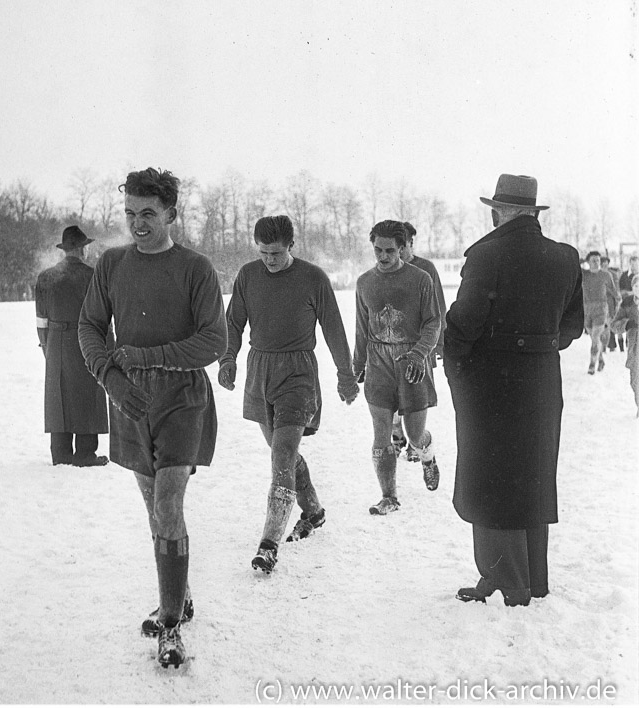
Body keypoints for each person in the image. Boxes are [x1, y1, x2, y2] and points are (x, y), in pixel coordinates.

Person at [78, 167, 227, 669]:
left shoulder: (196, 268)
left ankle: (169, 627)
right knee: (155, 510)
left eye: (148, 214)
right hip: (129, 401)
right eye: (130, 214)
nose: (138, 224)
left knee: (167, 504)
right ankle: (178, 595)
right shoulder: (112, 265)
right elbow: (90, 327)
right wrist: (112, 379)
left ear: (171, 214)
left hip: (182, 398)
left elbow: (213, 341)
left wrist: (144, 358)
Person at [444, 174, 583, 607]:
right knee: (531, 478)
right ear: (534, 213)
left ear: (497, 211)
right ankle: (532, 580)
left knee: (489, 480)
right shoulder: (565, 257)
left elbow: (462, 325)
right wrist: (538, 346)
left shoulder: (486, 255)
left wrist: (458, 370)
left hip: (490, 385)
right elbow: (573, 327)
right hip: (542, 383)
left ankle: (506, 583)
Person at [217, 215, 358, 574]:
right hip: (260, 371)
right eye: (263, 252)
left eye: (276, 253)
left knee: (282, 451)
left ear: (291, 246)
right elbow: (234, 322)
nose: (269, 260)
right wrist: (228, 359)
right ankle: (313, 511)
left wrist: (345, 376)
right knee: (285, 453)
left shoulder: (313, 278)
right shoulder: (248, 275)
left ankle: (268, 545)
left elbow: (333, 329)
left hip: (298, 374)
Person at [353, 220, 442, 516]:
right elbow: (362, 328)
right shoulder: (365, 282)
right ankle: (389, 496)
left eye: (390, 250)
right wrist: (357, 365)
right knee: (381, 432)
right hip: (379, 364)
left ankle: (426, 456)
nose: (382, 255)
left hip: (411, 364)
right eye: (377, 249)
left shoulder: (420, 279)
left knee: (415, 435)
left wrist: (419, 354)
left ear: (403, 248)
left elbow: (433, 322)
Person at [35, 225, 109, 467]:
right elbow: (103, 317)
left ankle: (61, 452)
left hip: (56, 341)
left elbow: (41, 321)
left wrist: (48, 347)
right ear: (82, 250)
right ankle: (86, 453)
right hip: (87, 340)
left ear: (65, 250)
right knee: (88, 392)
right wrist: (109, 347)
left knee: (59, 396)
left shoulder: (46, 278)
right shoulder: (94, 276)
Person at [391, 222, 447, 462]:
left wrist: (439, 344)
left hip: (420, 346)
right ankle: (396, 435)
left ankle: (416, 444)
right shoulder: (386, 269)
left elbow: (439, 309)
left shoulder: (426, 269)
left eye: (405, 246)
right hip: (391, 347)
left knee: (415, 397)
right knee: (391, 395)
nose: (400, 251)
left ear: (411, 243)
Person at [581, 251, 619, 374]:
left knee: (596, 336)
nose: (596, 262)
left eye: (598, 260)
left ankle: (592, 365)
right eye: (593, 260)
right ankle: (601, 359)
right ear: (588, 262)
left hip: (601, 309)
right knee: (594, 339)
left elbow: (615, 294)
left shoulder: (606, 275)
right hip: (587, 310)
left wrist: (614, 311)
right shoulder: (583, 274)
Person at [610, 274, 639, 416]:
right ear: (632, 288)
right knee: (635, 382)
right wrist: (627, 324)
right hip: (635, 347)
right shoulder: (627, 303)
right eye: (636, 286)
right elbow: (614, 325)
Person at [617, 255, 639, 353]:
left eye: (636, 264)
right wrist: (627, 293)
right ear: (630, 264)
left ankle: (630, 344)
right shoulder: (624, 276)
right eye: (632, 264)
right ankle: (622, 346)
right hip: (626, 304)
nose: (634, 266)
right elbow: (620, 290)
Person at [601, 256, 621, 351]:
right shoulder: (597, 274)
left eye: (606, 263)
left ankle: (611, 346)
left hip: (610, 303)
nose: (604, 265)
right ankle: (603, 346)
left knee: (609, 324)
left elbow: (616, 290)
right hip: (599, 303)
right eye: (603, 263)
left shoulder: (613, 275)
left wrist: (617, 302)